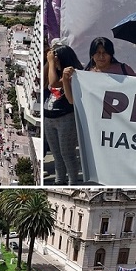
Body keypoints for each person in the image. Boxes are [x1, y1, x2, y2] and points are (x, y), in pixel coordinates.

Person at [45, 43, 84, 185]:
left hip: (66, 117)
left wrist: (50, 62)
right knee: (56, 154)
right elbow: (46, 81)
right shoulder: (53, 70)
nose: (53, 60)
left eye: (55, 57)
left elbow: (54, 83)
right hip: (49, 118)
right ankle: (59, 179)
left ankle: (72, 182)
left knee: (67, 154)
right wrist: (49, 63)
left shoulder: (72, 73)